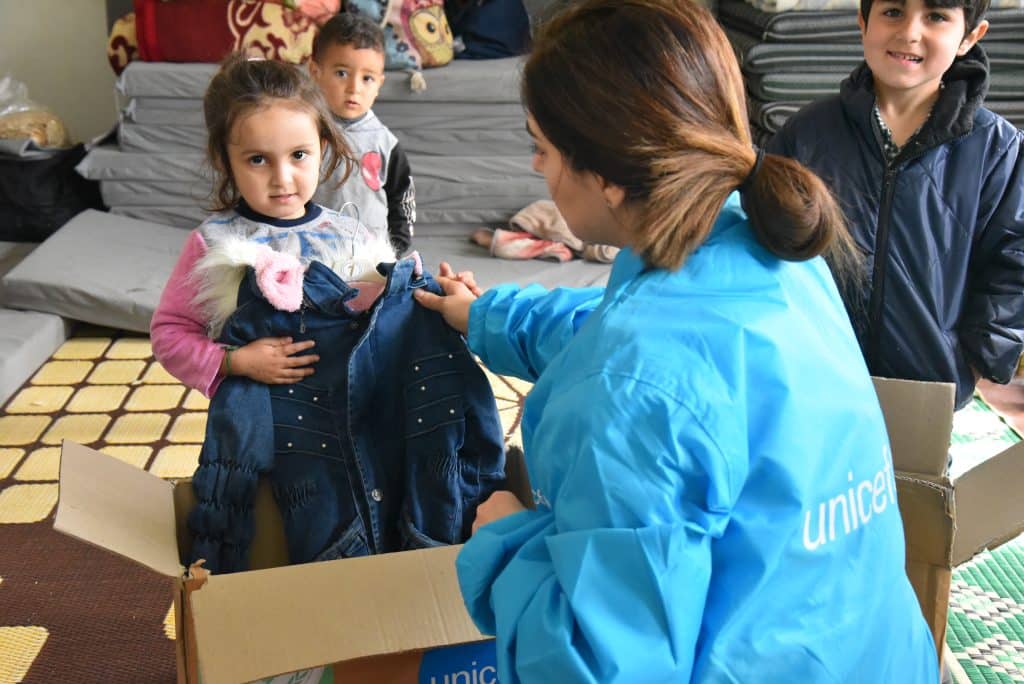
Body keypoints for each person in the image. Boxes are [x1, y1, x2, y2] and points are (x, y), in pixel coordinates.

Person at [414, 0, 939, 681]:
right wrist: (487, 316)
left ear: (604, 175)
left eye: (541, 147)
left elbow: (591, 667)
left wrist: (502, 536)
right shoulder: (766, 237)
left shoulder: (630, 389)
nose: (538, 168)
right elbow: (624, 328)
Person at [768, 0, 1024, 409]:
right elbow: (765, 240)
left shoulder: (996, 148)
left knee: (911, 474)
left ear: (970, 37)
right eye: (892, 12)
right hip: (810, 378)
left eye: (936, 17)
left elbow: (1013, 261)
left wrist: (977, 361)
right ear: (862, 21)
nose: (909, 32)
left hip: (926, 389)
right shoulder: (807, 133)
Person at [150, 53, 396, 398]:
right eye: (257, 159)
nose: (282, 179)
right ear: (224, 160)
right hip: (262, 424)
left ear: (321, 148)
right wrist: (234, 361)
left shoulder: (355, 236)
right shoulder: (215, 243)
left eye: (298, 155)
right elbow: (169, 334)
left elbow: (393, 316)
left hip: (350, 414)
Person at [309, 12, 416, 256]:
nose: (354, 88)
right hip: (313, 251)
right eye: (341, 73)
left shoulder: (385, 143)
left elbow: (402, 196)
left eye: (367, 78)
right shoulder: (304, 133)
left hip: (371, 257)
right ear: (315, 71)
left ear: (379, 83)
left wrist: (395, 246)